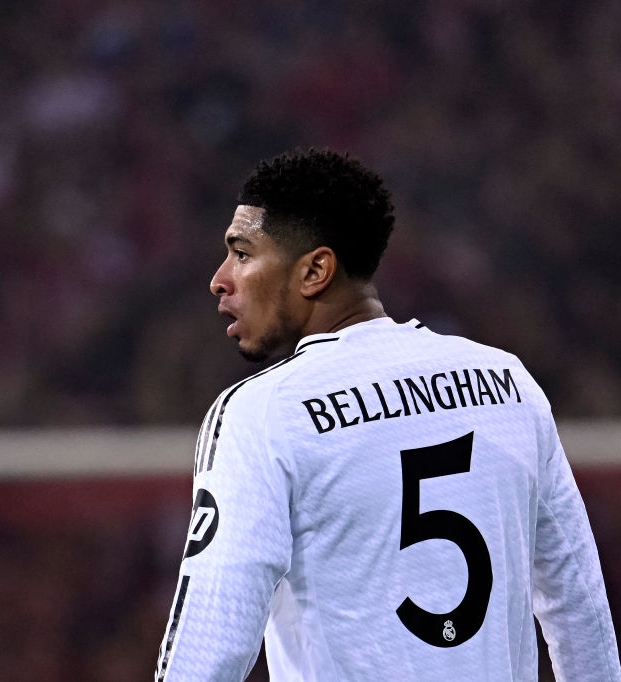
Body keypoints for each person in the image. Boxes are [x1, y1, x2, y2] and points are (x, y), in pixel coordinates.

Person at [154, 148, 620, 681]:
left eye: (241, 253)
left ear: (315, 271)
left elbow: (210, 644)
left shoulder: (262, 414)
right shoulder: (510, 383)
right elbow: (578, 603)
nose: (220, 279)